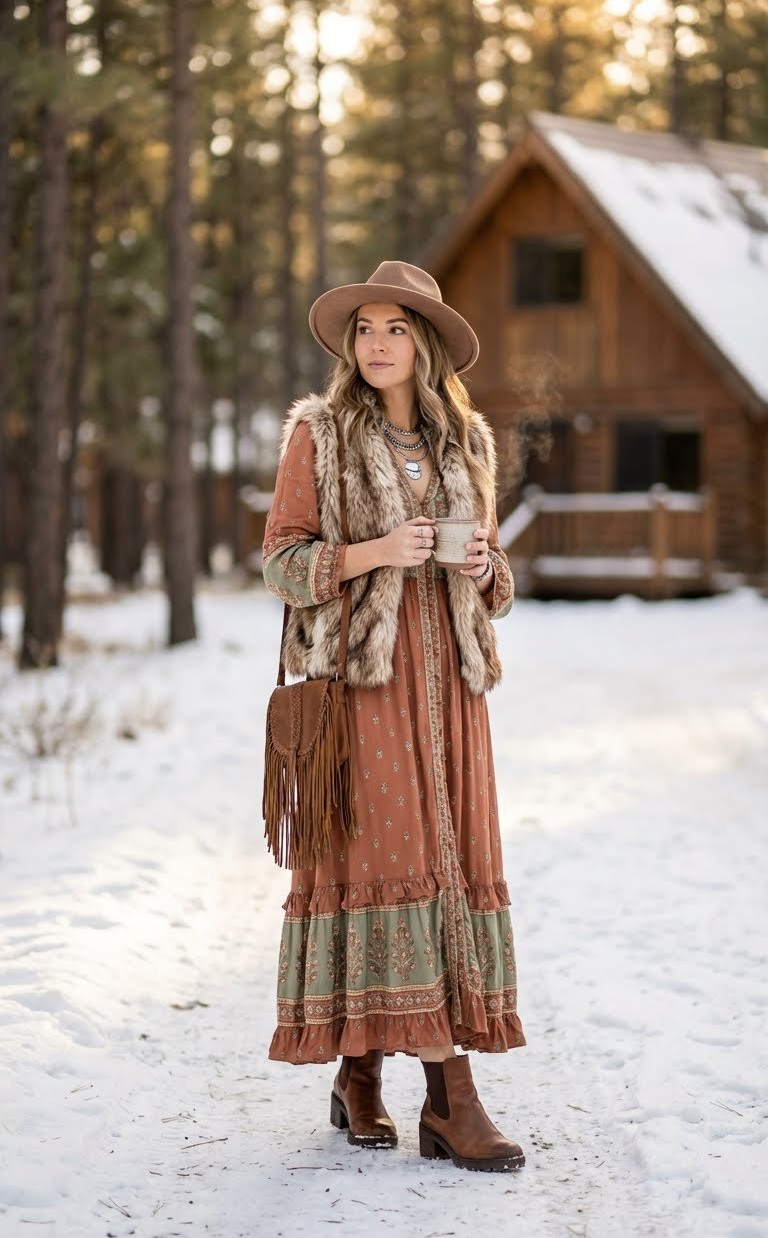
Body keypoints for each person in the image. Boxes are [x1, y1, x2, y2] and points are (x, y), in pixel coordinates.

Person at [262, 261, 526, 1172]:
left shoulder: (467, 444)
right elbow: (282, 563)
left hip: (452, 693)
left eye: (396, 328)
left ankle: (358, 1071)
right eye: (365, 327)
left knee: (442, 867)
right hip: (364, 693)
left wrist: (483, 568)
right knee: (387, 862)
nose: (377, 343)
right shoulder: (321, 435)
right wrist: (375, 550)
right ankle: (451, 1100)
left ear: (428, 345)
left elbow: (500, 590)